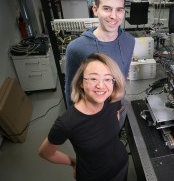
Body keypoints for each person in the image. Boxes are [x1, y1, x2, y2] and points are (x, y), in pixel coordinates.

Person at [39, 53, 128, 181]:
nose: (101, 86)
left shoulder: (112, 102)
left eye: (108, 79)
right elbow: (45, 152)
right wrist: (73, 162)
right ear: (81, 82)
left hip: (121, 166)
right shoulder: (67, 122)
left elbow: (117, 115)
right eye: (93, 79)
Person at [65, 0, 135, 127]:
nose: (113, 16)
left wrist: (119, 108)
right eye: (107, 8)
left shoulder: (129, 41)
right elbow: (71, 90)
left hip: (117, 113)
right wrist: (76, 123)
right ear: (95, 10)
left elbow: (122, 78)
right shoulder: (76, 48)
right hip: (90, 120)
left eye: (119, 10)